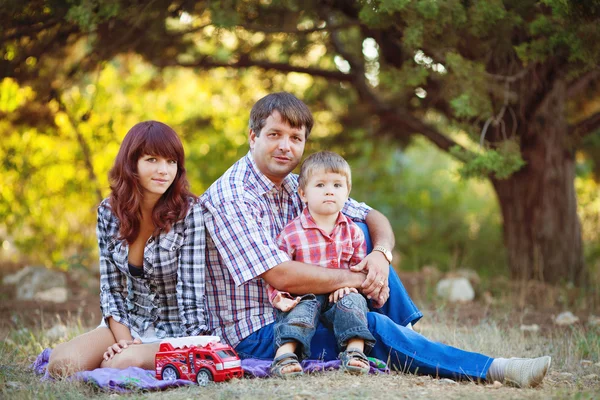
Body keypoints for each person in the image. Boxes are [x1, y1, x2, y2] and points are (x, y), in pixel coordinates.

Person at [201, 92, 551, 387]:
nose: (286, 147)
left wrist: (381, 255)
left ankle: (401, 338)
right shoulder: (233, 196)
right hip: (265, 330)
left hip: (315, 306)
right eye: (274, 135)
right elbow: (280, 275)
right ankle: (495, 368)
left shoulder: (299, 185)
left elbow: (371, 216)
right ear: (252, 136)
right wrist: (361, 280)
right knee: (372, 325)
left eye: (296, 138)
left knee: (361, 233)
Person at [47, 121, 208, 377]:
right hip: (127, 323)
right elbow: (111, 288)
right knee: (61, 364)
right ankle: (121, 356)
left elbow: (192, 295)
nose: (163, 170)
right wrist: (124, 341)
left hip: (178, 331)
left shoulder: (190, 214)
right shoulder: (109, 213)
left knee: (118, 365)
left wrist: (186, 347)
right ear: (131, 163)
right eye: (152, 159)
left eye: (171, 161)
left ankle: (124, 360)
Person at [267, 151, 376, 377]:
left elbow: (358, 269)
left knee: (353, 303)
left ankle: (355, 352)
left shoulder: (353, 232)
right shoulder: (291, 234)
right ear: (303, 194)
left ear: (347, 192)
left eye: (337, 185)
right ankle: (284, 355)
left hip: (339, 295)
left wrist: (352, 287)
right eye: (320, 185)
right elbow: (278, 272)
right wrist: (280, 298)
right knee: (301, 309)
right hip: (306, 293)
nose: (329, 190)